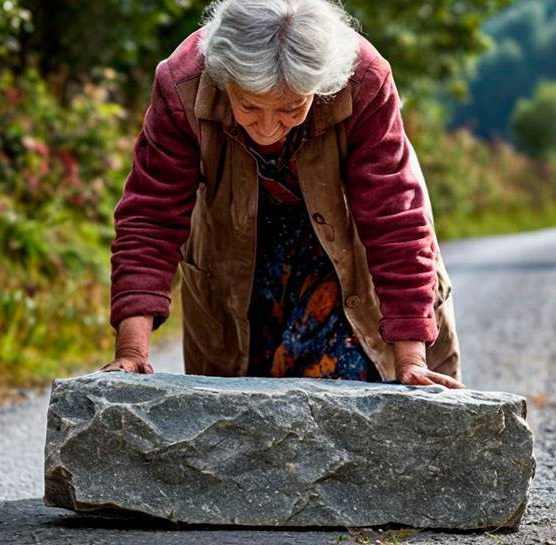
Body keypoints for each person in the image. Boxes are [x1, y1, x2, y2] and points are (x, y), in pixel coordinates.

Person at [101, 0, 464, 388]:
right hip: (237, 268)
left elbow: (395, 219)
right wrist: (132, 353)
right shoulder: (183, 83)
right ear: (224, 81)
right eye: (250, 106)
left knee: (350, 412)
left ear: (321, 89)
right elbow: (151, 217)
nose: (269, 128)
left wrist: (410, 358)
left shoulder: (364, 81)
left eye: (292, 108)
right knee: (241, 422)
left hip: (345, 266)